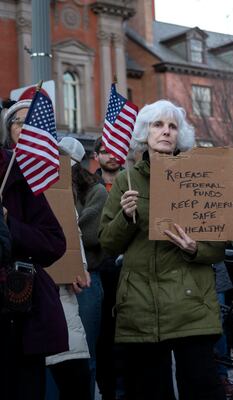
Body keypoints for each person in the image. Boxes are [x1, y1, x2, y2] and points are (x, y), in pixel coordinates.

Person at [98, 99, 226, 400]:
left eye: (172, 126)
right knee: (149, 391)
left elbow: (218, 247)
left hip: (190, 304)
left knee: (202, 388)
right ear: (144, 132)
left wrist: (196, 248)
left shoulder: (200, 177)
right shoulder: (126, 181)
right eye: (158, 124)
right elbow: (107, 243)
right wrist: (125, 218)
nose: (166, 131)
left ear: (180, 134)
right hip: (142, 306)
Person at [0, 98, 68, 400]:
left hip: (14, 315)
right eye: (18, 122)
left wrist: (8, 223)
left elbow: (55, 242)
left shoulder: (18, 176)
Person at [60, 136, 108, 397]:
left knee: (85, 355)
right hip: (58, 280)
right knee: (56, 356)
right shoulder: (50, 188)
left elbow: (90, 235)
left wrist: (64, 225)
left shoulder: (96, 192)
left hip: (88, 279)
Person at [92, 136, 126, 400]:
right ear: (96, 156)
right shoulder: (86, 184)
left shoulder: (133, 182)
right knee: (103, 338)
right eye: (105, 151)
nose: (111, 155)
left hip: (128, 270)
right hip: (99, 270)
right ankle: (108, 391)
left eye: (115, 150)